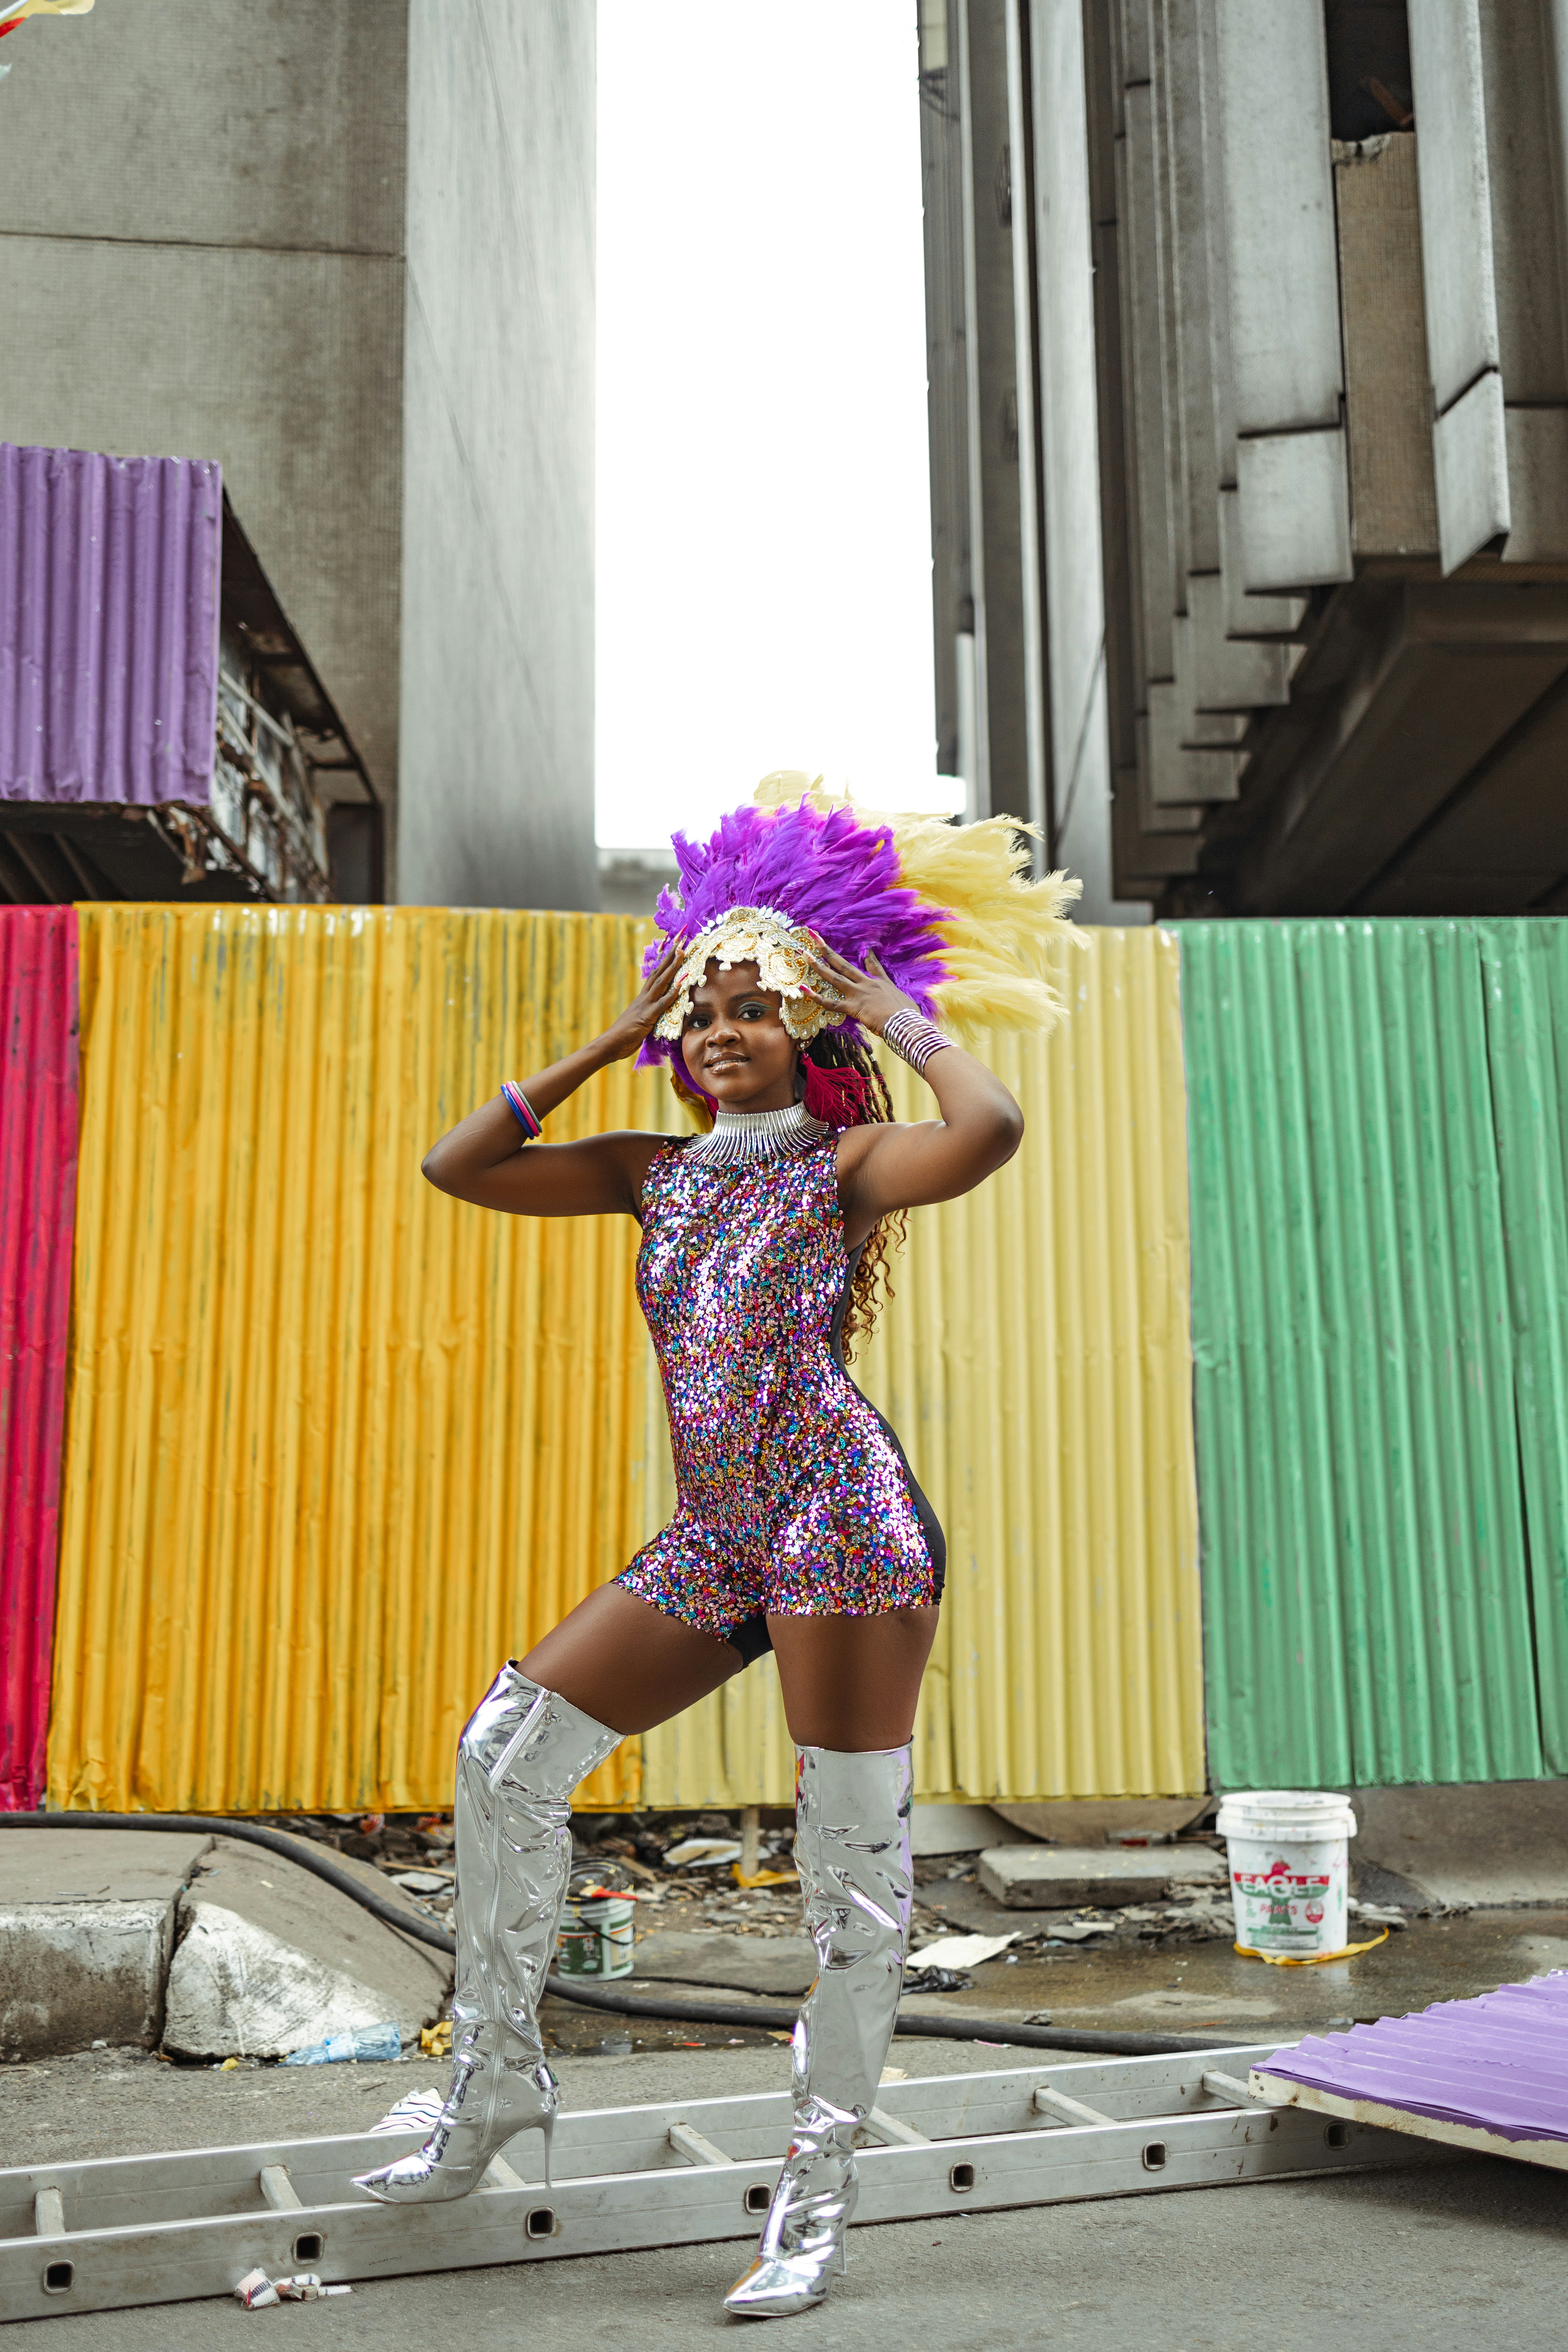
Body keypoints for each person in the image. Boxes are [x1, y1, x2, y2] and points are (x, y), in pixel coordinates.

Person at [354, 776, 1079, 2319]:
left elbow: (992, 1127)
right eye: (701, 1013)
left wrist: (895, 1013)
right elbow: (458, 1165)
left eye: (753, 1009)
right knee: (504, 1754)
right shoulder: (650, 1170)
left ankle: (813, 2202)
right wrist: (612, 1043)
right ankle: (493, 2091)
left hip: (842, 1529)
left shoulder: (842, 1164)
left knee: (847, 1871)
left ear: (809, 1034)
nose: (720, 1033)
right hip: (716, 1536)